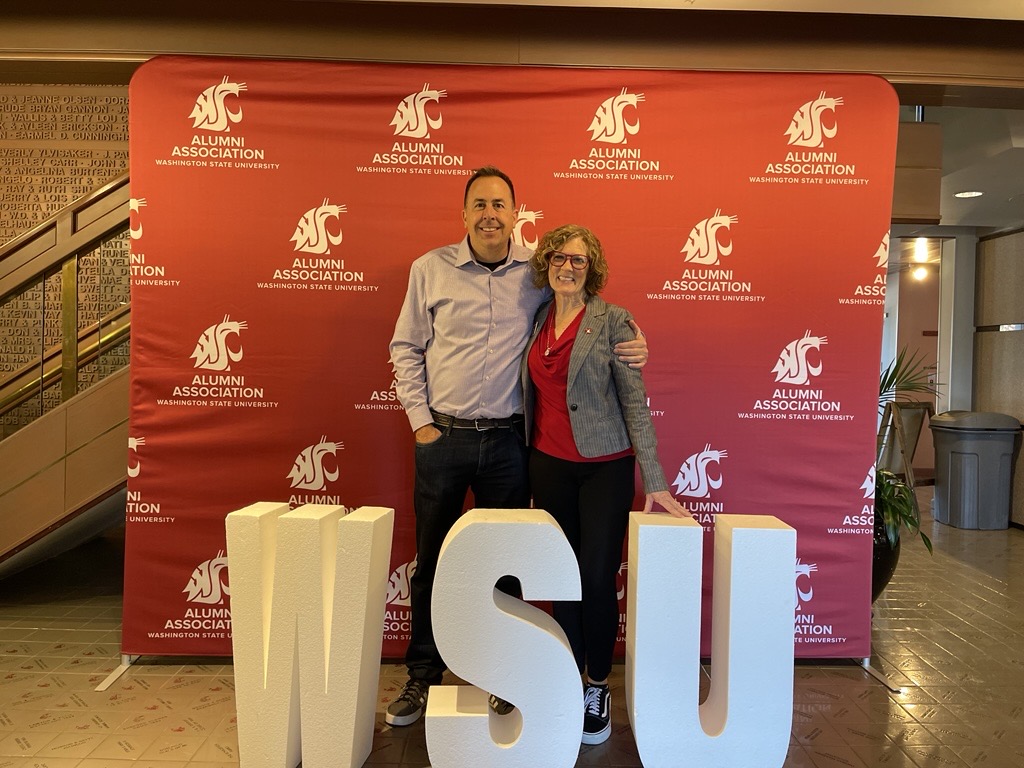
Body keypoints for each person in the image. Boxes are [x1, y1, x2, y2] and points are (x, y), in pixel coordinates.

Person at [387, 167, 649, 726]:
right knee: (432, 563)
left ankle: (501, 675)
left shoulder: (537, 272)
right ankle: (421, 675)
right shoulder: (428, 269)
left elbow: (589, 307)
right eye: (478, 203)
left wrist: (635, 341)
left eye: (499, 204)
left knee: (505, 571)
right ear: (464, 214)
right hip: (443, 437)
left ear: (514, 213)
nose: (489, 213)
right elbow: (405, 347)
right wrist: (420, 424)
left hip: (510, 444)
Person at [522, 223, 689, 745]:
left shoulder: (615, 321)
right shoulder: (536, 317)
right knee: (561, 578)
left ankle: (597, 684)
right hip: (547, 464)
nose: (567, 267)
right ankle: (568, 677)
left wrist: (655, 479)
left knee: (595, 578)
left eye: (579, 260)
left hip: (605, 468)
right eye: (559, 258)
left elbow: (635, 406)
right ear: (545, 264)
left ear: (592, 269)